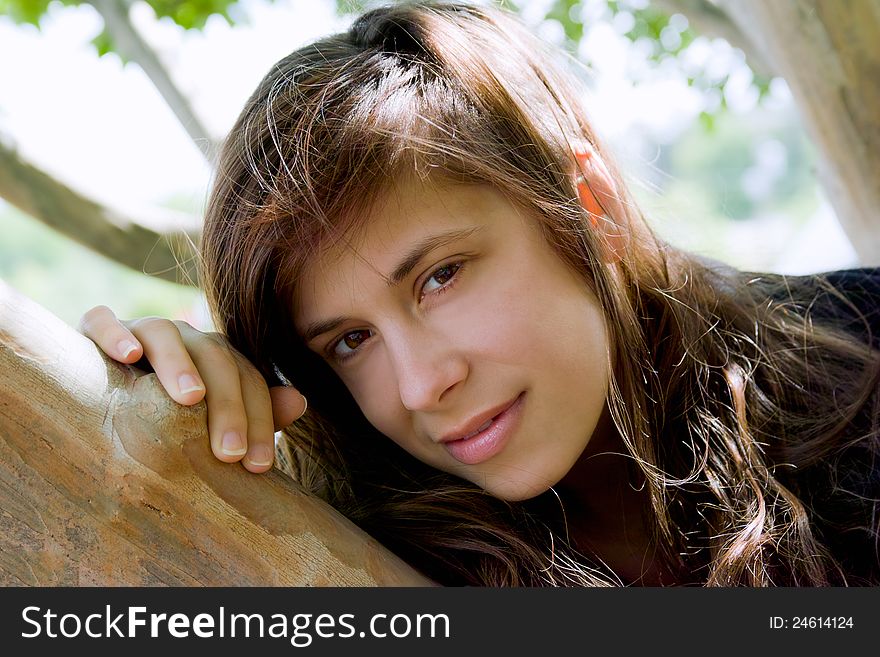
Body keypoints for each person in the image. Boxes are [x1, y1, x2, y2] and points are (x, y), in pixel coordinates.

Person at [79, 1, 880, 586]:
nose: (424, 384)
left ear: (589, 209)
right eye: (350, 341)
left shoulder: (862, 358)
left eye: (440, 277)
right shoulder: (375, 554)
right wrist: (184, 412)